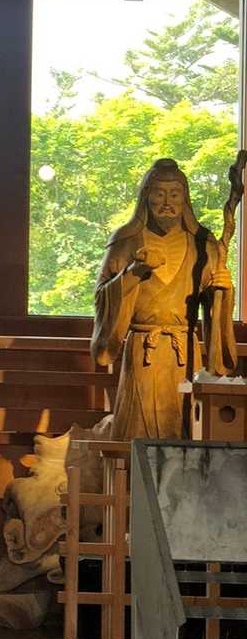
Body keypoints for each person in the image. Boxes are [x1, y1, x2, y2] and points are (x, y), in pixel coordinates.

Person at [92, 158, 237, 442]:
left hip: (185, 354)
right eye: (159, 194)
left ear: (185, 199)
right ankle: (134, 472)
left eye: (174, 194)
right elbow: (102, 296)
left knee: (184, 428)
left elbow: (214, 301)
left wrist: (223, 290)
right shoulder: (126, 239)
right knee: (138, 432)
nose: (167, 203)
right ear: (146, 196)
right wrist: (134, 272)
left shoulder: (203, 243)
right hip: (142, 352)